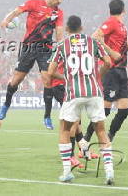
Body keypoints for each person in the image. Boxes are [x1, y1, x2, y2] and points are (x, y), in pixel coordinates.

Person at [48, 15, 114, 184]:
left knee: (64, 130)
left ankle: (67, 172)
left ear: (68, 29)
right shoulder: (94, 42)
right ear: (82, 27)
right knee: (100, 130)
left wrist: (67, 79)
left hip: (73, 94)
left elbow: (50, 72)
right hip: (94, 91)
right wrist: (97, 76)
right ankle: (109, 172)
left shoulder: (62, 44)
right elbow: (108, 62)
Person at [0, 0, 65, 130]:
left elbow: (59, 32)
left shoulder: (58, 13)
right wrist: (6, 20)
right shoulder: (34, 3)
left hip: (45, 49)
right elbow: (17, 11)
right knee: (16, 80)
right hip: (28, 47)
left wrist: (61, 47)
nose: (60, 1)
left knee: (48, 79)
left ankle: (47, 116)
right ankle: (6, 105)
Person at [84, 0, 128, 142]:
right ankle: (87, 137)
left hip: (122, 70)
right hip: (112, 71)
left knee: (124, 110)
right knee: (105, 110)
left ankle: (109, 136)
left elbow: (122, 46)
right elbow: (95, 37)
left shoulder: (122, 26)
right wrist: (110, 52)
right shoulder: (111, 22)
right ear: (124, 10)